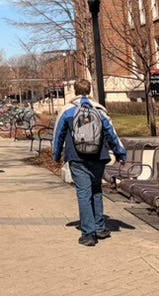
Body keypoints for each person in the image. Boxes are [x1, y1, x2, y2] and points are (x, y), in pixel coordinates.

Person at [52, 80, 128, 247]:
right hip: (98, 157)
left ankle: (88, 233)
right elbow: (111, 133)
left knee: (83, 194)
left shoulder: (67, 110)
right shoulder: (99, 109)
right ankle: (100, 227)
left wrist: (56, 155)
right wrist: (120, 154)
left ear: (74, 90)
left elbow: (58, 135)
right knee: (96, 190)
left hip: (77, 158)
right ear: (90, 90)